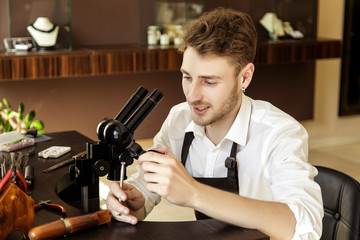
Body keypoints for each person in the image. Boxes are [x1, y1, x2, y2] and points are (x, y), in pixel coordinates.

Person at [106, 7, 323, 240]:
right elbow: (147, 185)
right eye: (187, 77)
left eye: (209, 82)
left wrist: (195, 193)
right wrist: (136, 198)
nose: (192, 96)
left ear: (245, 77)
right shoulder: (180, 119)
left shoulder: (280, 133)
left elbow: (303, 226)